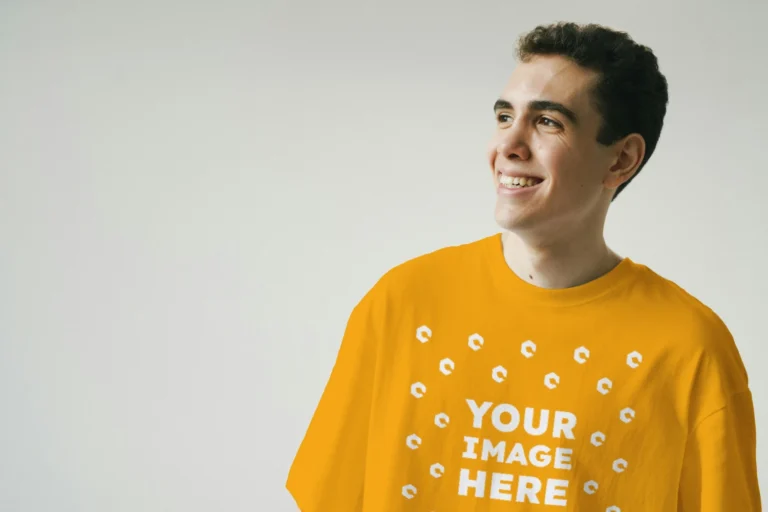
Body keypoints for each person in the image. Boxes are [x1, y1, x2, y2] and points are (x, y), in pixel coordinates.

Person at [286, 21, 762, 511]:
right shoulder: (402, 304)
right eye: (503, 116)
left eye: (548, 122)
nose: (508, 147)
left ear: (621, 159)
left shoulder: (688, 348)